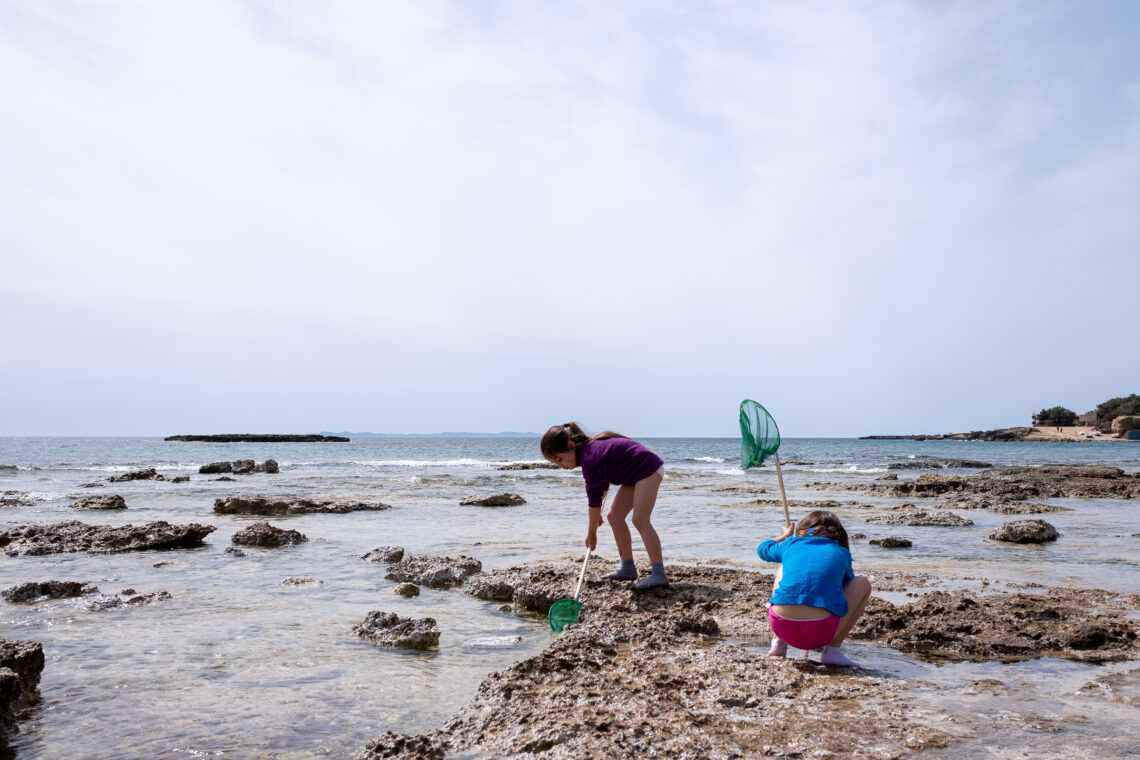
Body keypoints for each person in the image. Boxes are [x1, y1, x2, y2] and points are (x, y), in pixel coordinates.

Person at [541, 422, 669, 589]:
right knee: (614, 517)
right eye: (555, 463)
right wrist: (597, 516)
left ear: (570, 445)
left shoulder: (590, 456)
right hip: (633, 475)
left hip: (648, 469)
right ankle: (628, 568)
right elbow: (601, 487)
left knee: (640, 519)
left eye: (559, 459)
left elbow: (593, 499)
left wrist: (591, 532)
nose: (560, 466)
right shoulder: (589, 453)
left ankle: (659, 573)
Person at [756, 510, 871, 667]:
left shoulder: (790, 544)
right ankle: (832, 651)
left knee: (784, 567)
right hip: (821, 632)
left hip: (782, 626)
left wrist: (784, 537)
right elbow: (848, 585)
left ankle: (778, 644)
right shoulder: (841, 552)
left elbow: (763, 549)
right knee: (862, 582)